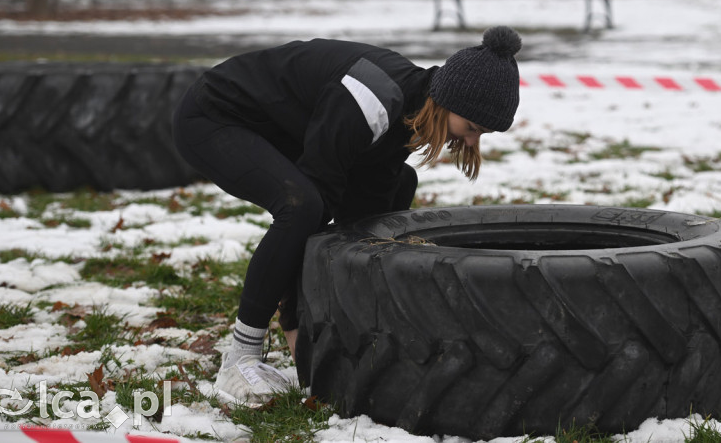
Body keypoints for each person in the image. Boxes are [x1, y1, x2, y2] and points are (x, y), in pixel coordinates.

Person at [171, 25, 522, 407]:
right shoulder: (368, 101)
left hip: (277, 130)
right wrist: (294, 324)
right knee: (302, 207)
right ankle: (241, 356)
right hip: (215, 116)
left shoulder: (410, 109)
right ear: (447, 100)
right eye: (471, 128)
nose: (471, 141)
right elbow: (315, 209)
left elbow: (358, 228)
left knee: (392, 197)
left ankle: (338, 333)